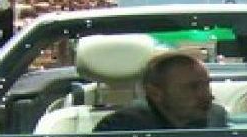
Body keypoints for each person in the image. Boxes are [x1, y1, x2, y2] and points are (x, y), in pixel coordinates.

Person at [95, 52, 227, 131]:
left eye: (206, 85)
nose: (208, 95)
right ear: (155, 93)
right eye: (193, 87)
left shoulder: (216, 116)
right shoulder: (122, 126)